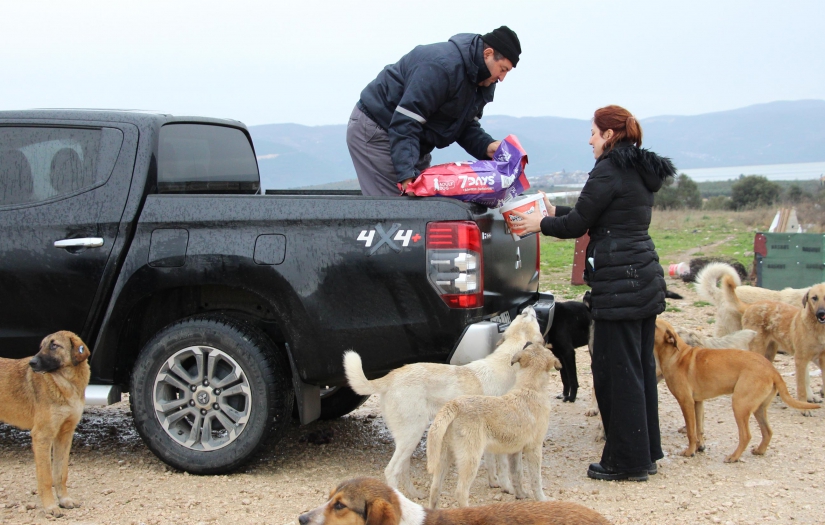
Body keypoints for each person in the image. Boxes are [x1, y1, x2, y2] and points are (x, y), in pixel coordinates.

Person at [510, 105, 675, 481]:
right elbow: (602, 213)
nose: (590, 140)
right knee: (639, 368)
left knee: (616, 372)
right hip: (643, 276)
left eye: (594, 133)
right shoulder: (636, 169)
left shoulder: (610, 168)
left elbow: (579, 224)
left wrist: (541, 222)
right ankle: (644, 452)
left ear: (609, 135)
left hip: (619, 282)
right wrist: (556, 209)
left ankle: (625, 462)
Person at [347, 26, 521, 196]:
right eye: (503, 69)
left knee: (421, 207)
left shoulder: (484, 81)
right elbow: (406, 122)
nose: (502, 78)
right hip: (378, 129)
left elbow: (463, 126)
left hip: (412, 140)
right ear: (488, 54)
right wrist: (407, 177)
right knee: (397, 211)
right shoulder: (442, 68)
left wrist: (487, 146)